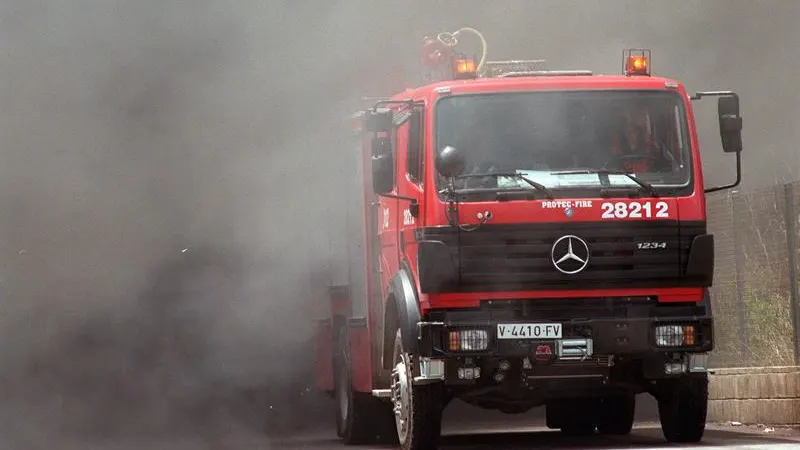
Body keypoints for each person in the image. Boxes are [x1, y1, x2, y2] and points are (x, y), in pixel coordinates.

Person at [609, 102, 673, 173]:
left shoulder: (655, 146)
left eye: (644, 116)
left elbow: (669, 169)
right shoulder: (613, 145)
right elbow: (604, 168)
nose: (644, 119)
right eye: (638, 114)